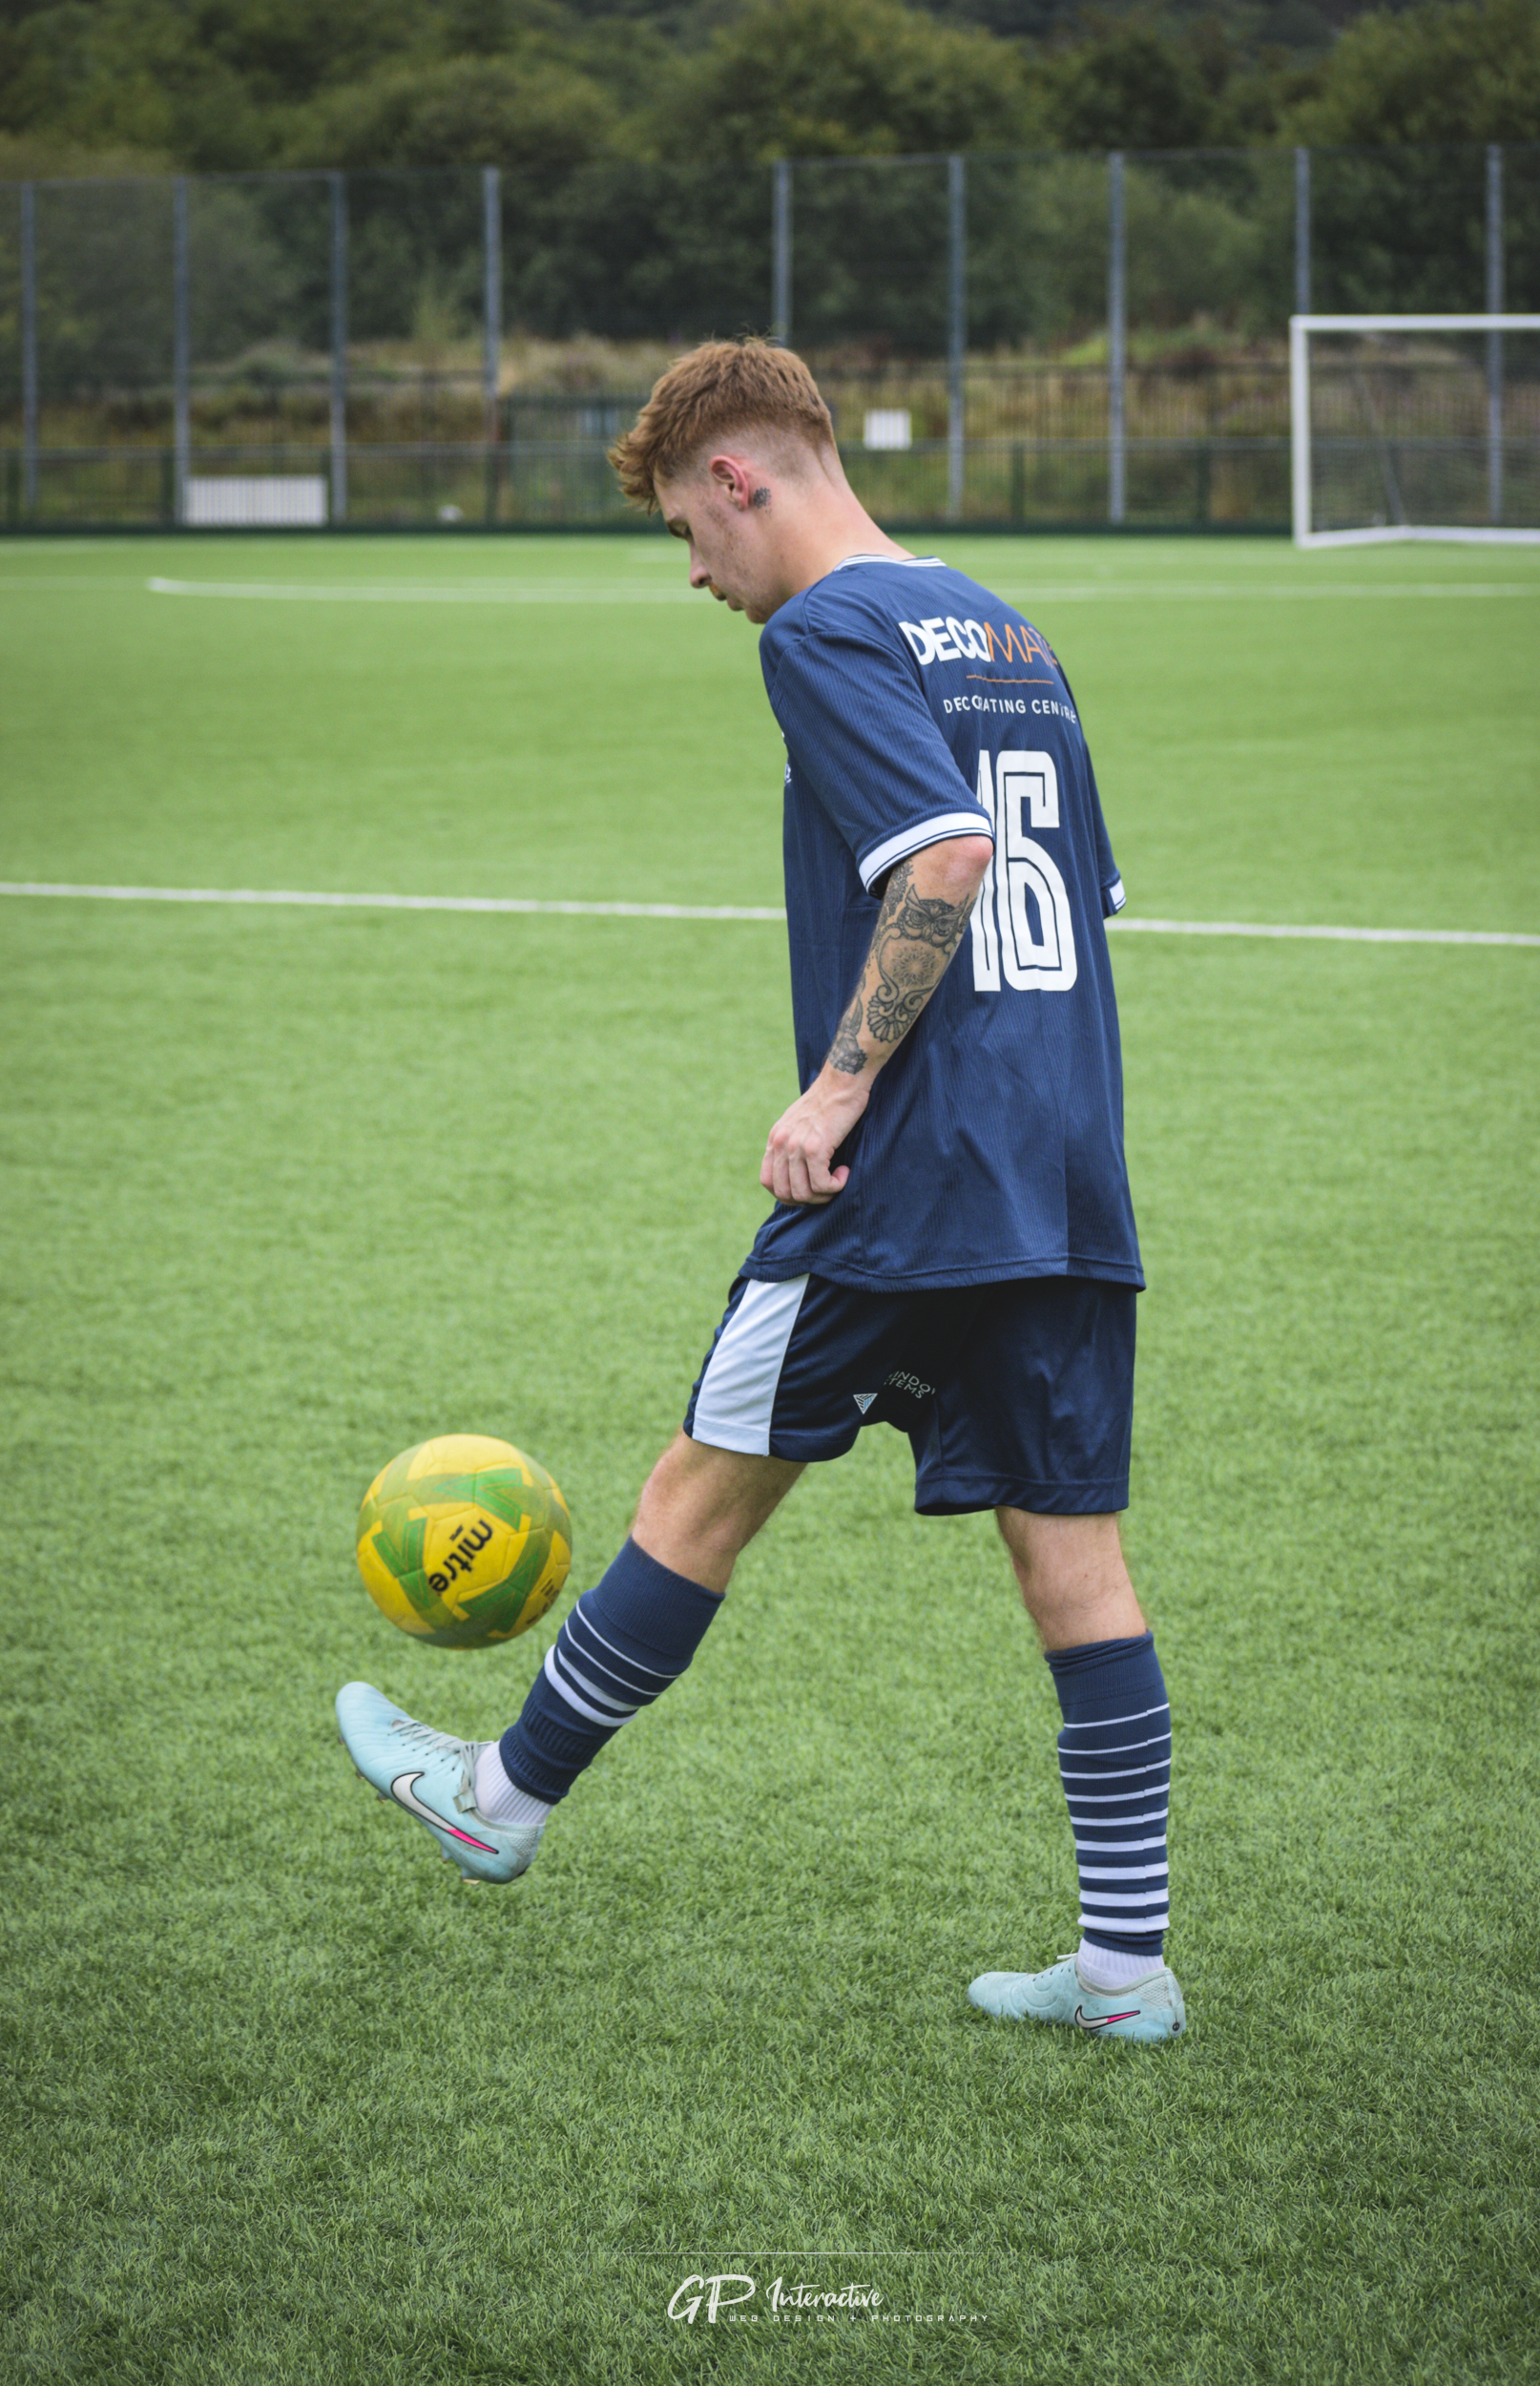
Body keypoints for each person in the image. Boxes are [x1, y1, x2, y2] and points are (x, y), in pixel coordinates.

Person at [336, 338, 1184, 2046]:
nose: (696, 572)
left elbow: (947, 854)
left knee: (702, 1483)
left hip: (908, 1174)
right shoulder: (1004, 627)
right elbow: (1082, 897)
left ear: (740, 476)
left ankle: (499, 1798)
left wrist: (841, 1084)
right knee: (1071, 1554)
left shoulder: (823, 630)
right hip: (1062, 1163)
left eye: (683, 529)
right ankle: (1125, 1971)